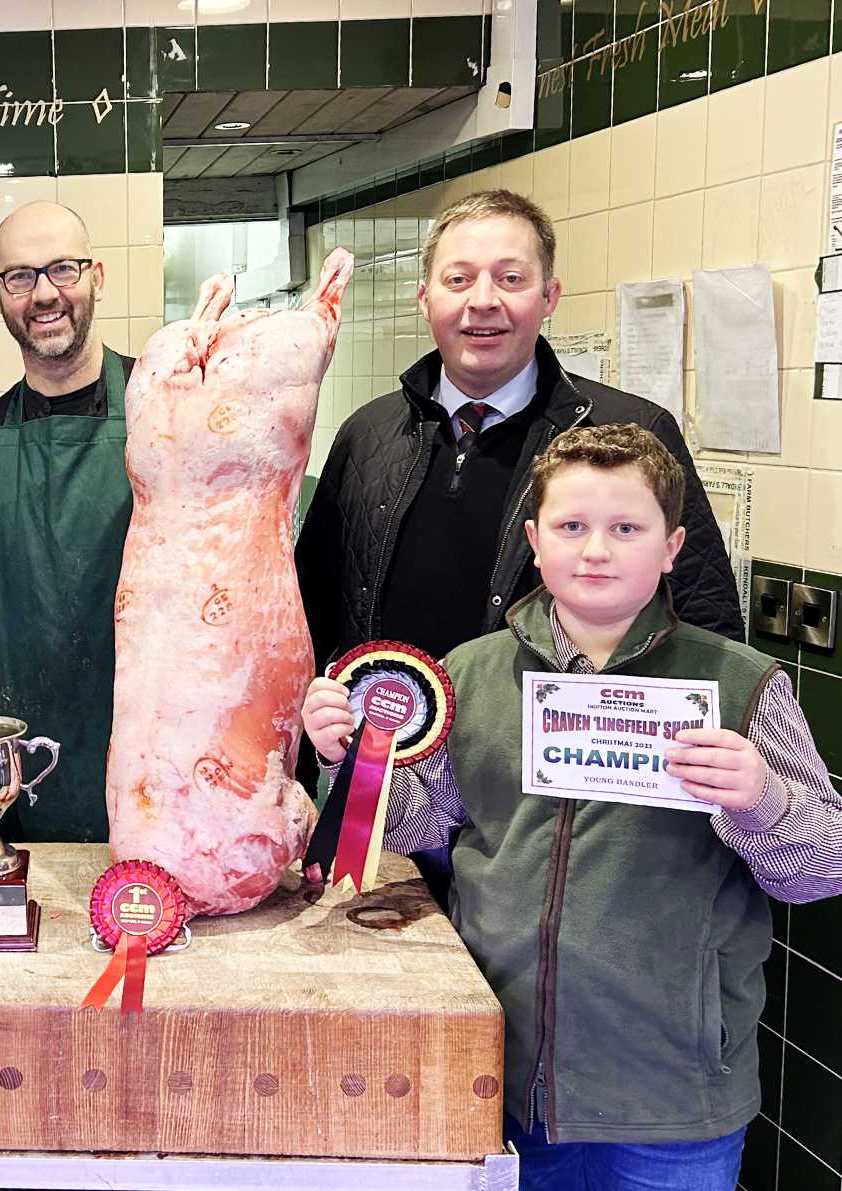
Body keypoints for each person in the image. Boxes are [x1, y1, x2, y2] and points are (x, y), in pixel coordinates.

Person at [301, 424, 842, 1191]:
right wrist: (351, 755)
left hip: (672, 1100)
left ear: (672, 545)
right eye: (572, 526)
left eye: (626, 528)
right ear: (535, 538)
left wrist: (766, 799)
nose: (596, 550)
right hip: (503, 1078)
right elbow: (421, 824)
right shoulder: (474, 672)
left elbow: (821, 869)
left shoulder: (741, 685)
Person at [294, 188, 743, 896]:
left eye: (511, 278)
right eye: (459, 278)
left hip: (553, 834)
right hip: (384, 811)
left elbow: (708, 623)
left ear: (549, 295)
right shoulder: (368, 435)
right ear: (424, 297)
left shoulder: (627, 436)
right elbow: (309, 619)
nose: (483, 301)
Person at [0, 200, 134, 846]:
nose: (44, 294)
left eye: (62, 269)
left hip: (152, 780)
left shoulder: (165, 419)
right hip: (7, 805)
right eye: (20, 277)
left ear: (98, 275)